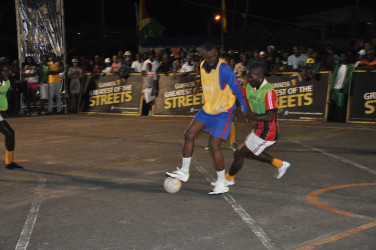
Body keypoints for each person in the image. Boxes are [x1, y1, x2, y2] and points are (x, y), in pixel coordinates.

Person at [166, 42, 250, 195]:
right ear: (203, 56)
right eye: (207, 58)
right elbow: (205, 79)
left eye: (214, 57)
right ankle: (184, 172)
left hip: (224, 111)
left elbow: (237, 87)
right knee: (189, 134)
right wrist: (198, 86)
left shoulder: (223, 68)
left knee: (213, 145)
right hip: (208, 108)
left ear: (217, 54)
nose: (211, 60)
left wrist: (243, 106)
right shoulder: (203, 64)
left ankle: (222, 182)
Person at [221, 63, 290, 189]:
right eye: (247, 77)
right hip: (259, 127)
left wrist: (250, 116)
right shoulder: (250, 87)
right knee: (249, 153)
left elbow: (269, 116)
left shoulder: (268, 92)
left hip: (268, 131)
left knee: (240, 153)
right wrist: (241, 110)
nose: (248, 80)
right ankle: (280, 164)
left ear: (260, 76)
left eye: (251, 77)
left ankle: (228, 179)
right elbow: (244, 101)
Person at [0, 60, 24, 170]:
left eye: (8, 71)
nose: (7, 73)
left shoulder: (7, 82)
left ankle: (9, 162)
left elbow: (7, 96)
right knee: (9, 133)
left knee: (10, 133)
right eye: (4, 71)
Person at [329, 53, 354, 122]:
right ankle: (336, 117)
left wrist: (343, 87)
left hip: (342, 88)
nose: (342, 58)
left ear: (347, 58)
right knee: (336, 103)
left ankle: (340, 118)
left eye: (344, 56)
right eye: (341, 56)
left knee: (341, 104)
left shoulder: (351, 67)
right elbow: (333, 77)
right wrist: (331, 87)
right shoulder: (337, 66)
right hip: (335, 87)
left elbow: (349, 78)